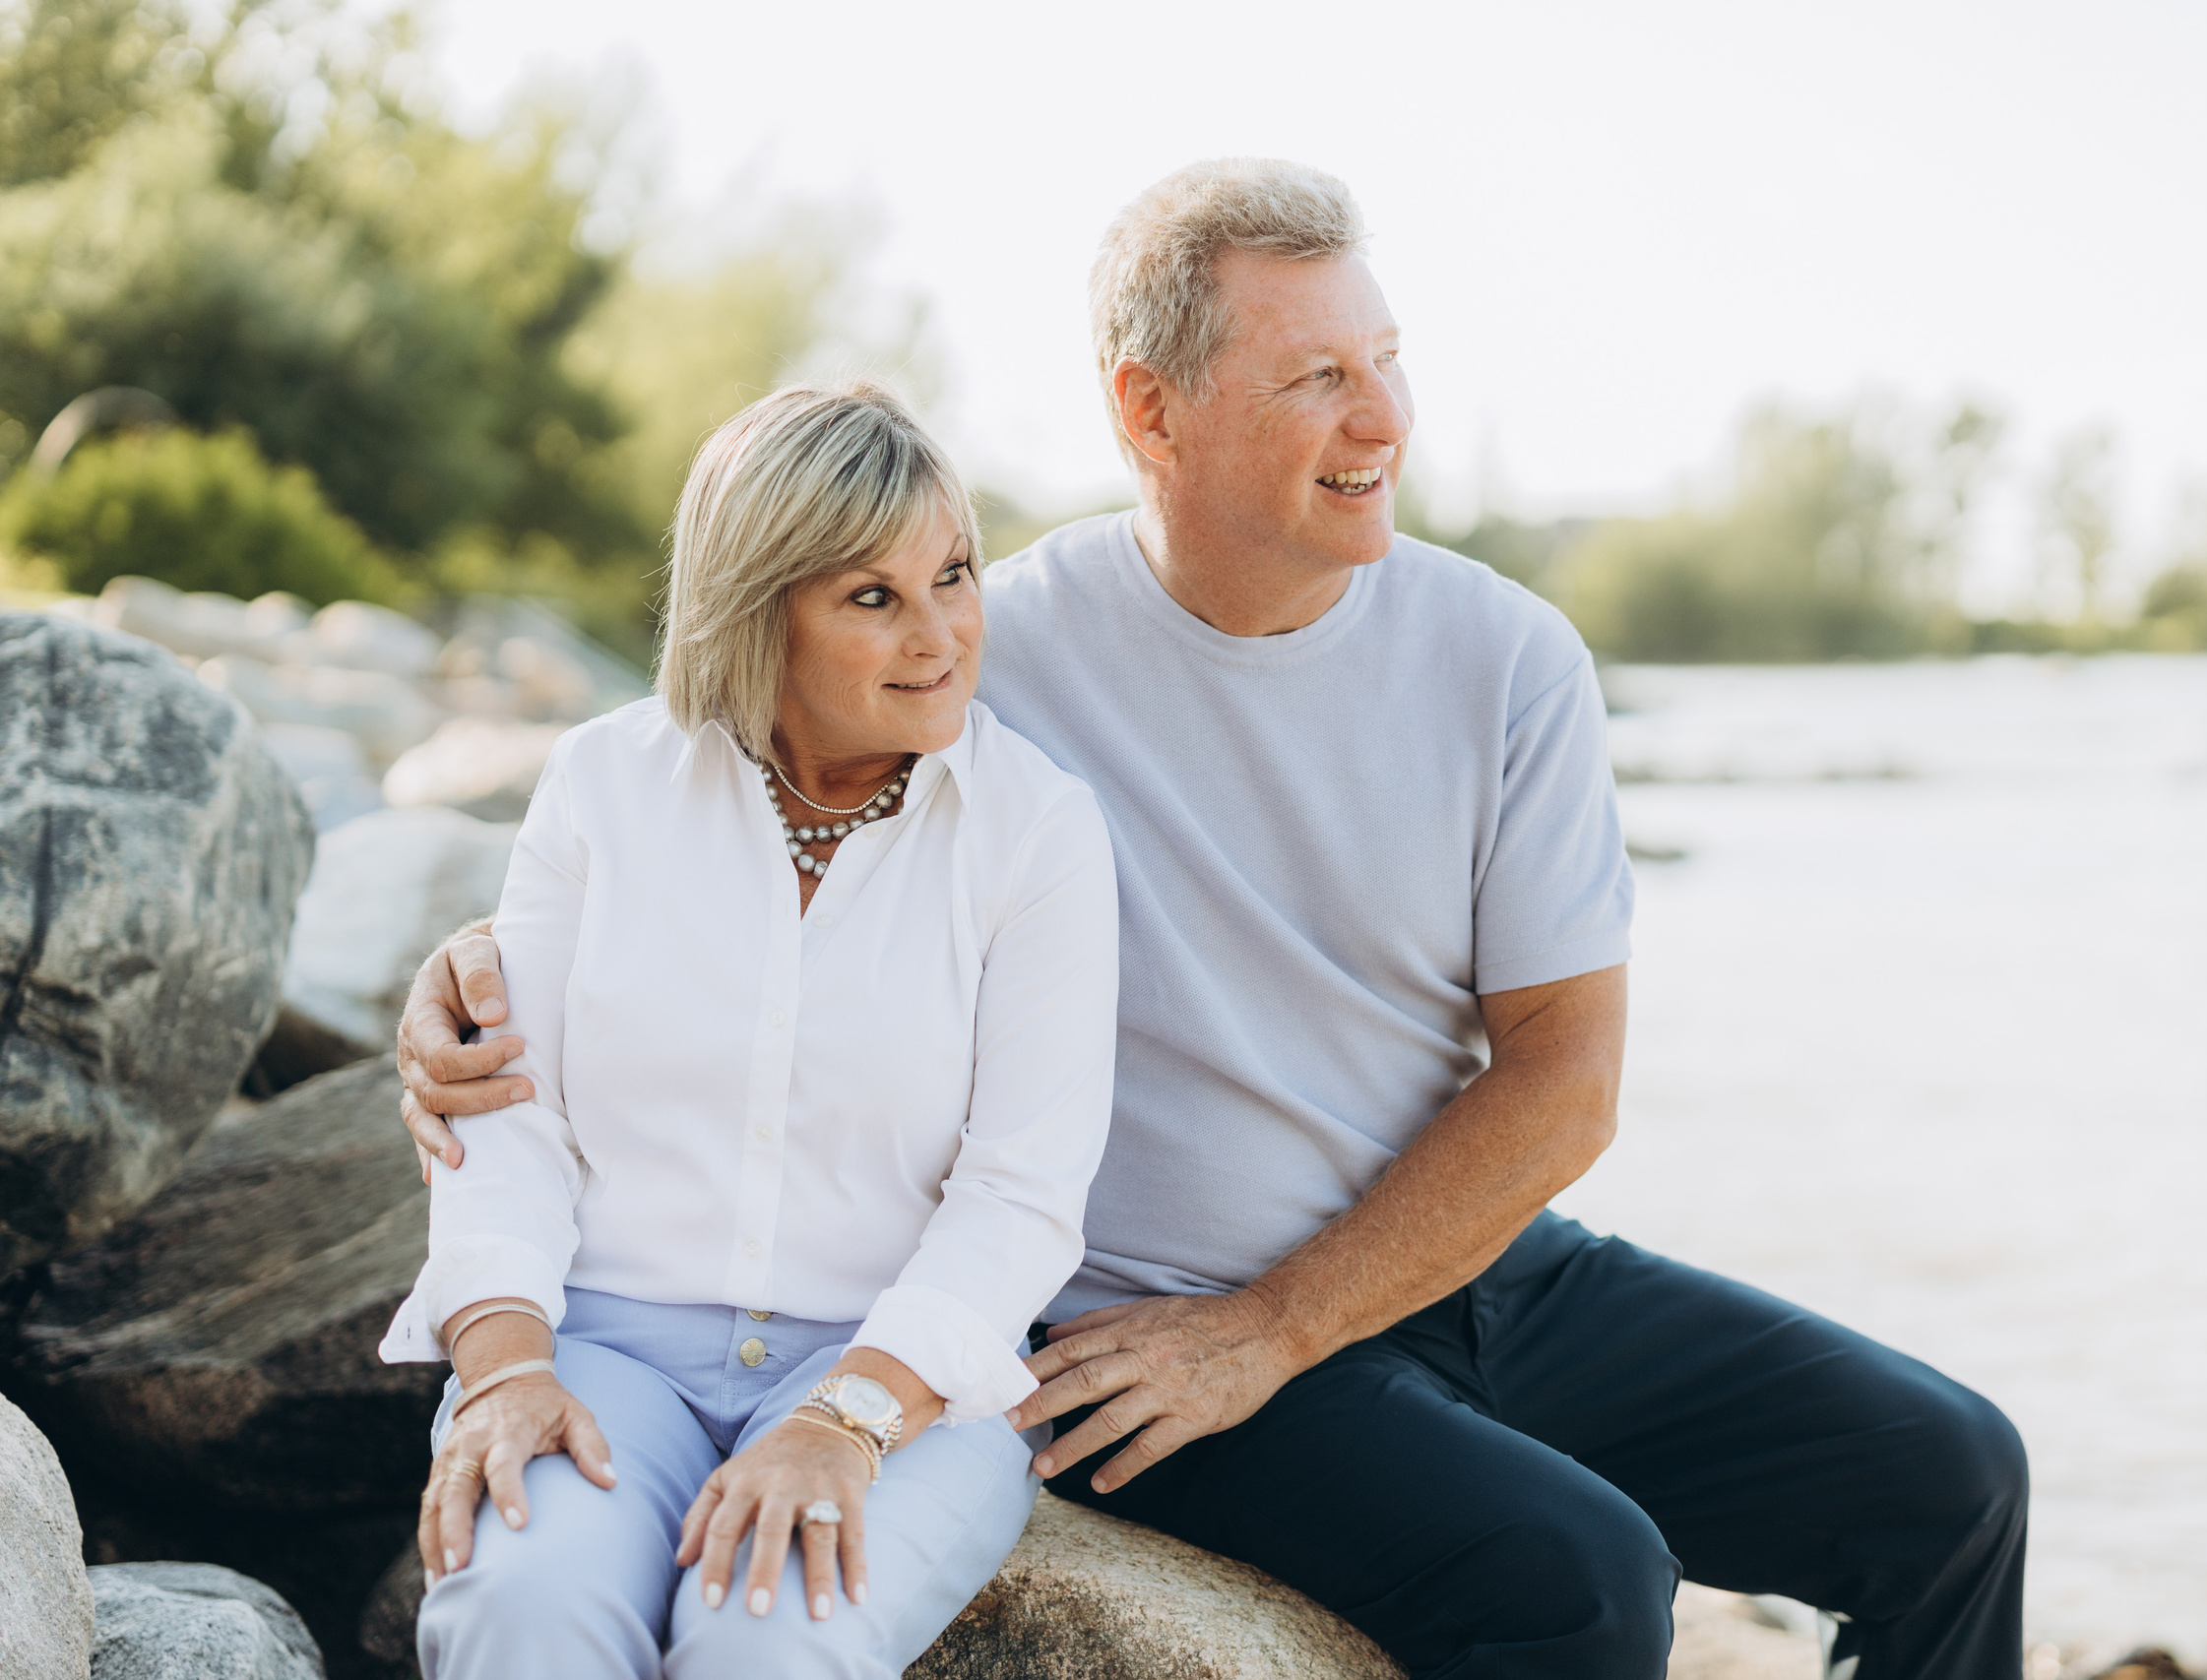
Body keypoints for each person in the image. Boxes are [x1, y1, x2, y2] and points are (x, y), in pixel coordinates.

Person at [397, 160, 2027, 1679]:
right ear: (1148, 409)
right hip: (1149, 1328)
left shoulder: (1507, 657)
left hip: (1458, 1276)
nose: (1382, 415)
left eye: (1385, 358)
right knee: (1585, 1575)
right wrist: (472, 976)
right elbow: (727, 809)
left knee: (1955, 1479)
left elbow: (1563, 1079)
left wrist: (1280, 1326)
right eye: (1316, 376)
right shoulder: (982, 657)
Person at [378, 382, 1117, 1679]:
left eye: (954, 575)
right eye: (873, 597)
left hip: (902, 1371)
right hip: (605, 1342)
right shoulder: (605, 785)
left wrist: (846, 1419)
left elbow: (1023, 1196)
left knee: (765, 1642)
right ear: (757, 610)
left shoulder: (1038, 834)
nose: (942, 634)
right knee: (524, 1610)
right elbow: (505, 1111)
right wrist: (503, 1368)